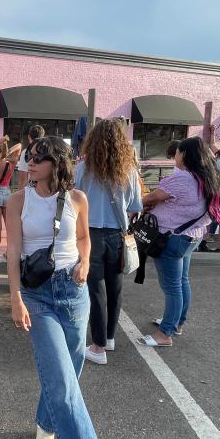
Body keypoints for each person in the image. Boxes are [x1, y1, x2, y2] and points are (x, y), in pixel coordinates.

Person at [6, 137, 124, 439]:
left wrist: (87, 261)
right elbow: (12, 252)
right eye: (30, 158)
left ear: (56, 163)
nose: (30, 163)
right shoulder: (18, 200)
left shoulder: (77, 198)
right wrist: (15, 297)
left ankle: (46, 424)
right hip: (37, 295)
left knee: (66, 378)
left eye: (37, 159)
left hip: (73, 294)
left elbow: (85, 238)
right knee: (62, 383)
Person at [139, 137, 220, 346]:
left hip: (171, 238)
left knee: (172, 286)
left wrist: (133, 204)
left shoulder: (183, 179)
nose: (175, 156)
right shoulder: (207, 177)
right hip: (191, 235)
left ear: (184, 154)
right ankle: (177, 323)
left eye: (177, 152)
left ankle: (165, 334)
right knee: (182, 281)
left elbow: (151, 197)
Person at [75, 119, 143, 363]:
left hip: (89, 234)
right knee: (115, 287)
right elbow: (136, 206)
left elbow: (71, 202)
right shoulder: (129, 170)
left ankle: (98, 346)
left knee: (95, 289)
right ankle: (110, 338)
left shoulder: (82, 169)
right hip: (117, 234)